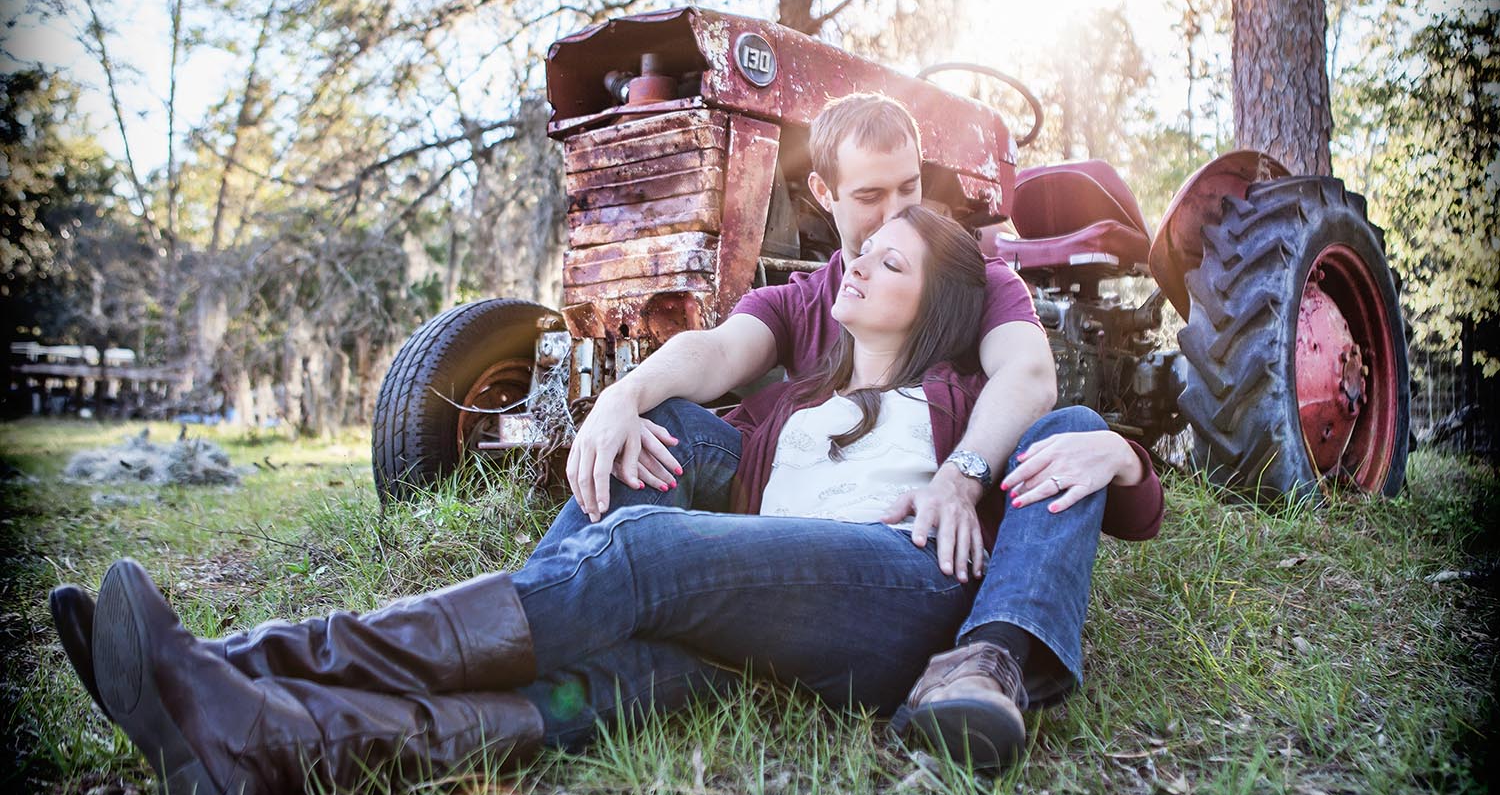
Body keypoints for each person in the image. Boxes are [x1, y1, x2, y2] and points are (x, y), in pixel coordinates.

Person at [53, 206, 1160, 793]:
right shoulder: (787, 406)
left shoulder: (967, 398)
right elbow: (715, 356)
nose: (855, 268)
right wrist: (620, 403)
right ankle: (265, 744)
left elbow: (1085, 459)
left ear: (943, 307)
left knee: (635, 549)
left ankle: (242, 663)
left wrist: (1116, 454)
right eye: (856, 250)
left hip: (895, 602)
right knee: (598, 686)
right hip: (766, 621)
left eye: (889, 263)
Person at [546, 92, 1164, 765]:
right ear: (823, 193)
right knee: (665, 424)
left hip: (919, 546)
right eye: (870, 193)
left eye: (910, 186)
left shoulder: (973, 281)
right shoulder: (803, 297)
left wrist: (962, 476)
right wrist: (623, 396)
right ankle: (553, 603)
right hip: (798, 513)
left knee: (1067, 429)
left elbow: (1027, 375)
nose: (896, 210)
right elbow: (720, 353)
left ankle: (991, 659)